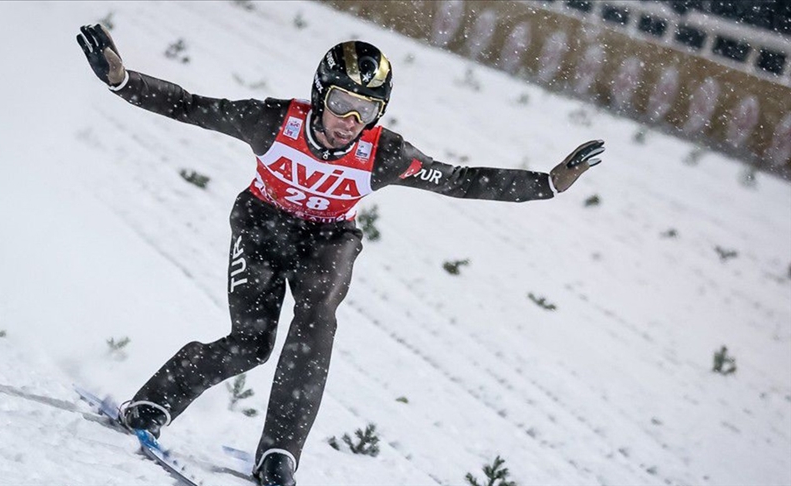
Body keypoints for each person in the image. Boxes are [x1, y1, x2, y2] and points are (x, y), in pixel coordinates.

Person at [76, 23, 605, 486]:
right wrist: (123, 81)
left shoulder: (385, 153)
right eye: (340, 104)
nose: (349, 122)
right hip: (262, 227)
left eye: (365, 112)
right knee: (250, 344)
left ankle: (280, 454)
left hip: (325, 244)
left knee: (314, 329)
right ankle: (156, 401)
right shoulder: (272, 122)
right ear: (318, 95)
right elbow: (192, 107)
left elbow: (459, 180)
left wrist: (549, 184)